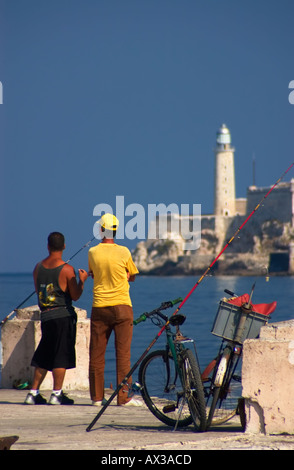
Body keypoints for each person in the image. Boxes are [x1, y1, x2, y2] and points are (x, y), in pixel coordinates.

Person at [24, 232, 88, 405]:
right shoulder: (67, 269)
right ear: (64, 246)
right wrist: (81, 281)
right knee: (60, 355)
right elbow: (75, 296)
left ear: (48, 246)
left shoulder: (38, 268)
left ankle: (32, 392)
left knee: (44, 354)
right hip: (62, 317)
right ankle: (57, 394)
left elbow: (39, 292)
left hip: (46, 316)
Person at [88, 213, 140, 406]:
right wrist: (125, 275)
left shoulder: (92, 252)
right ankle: (123, 398)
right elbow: (132, 276)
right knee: (123, 354)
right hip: (122, 307)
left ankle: (96, 398)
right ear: (115, 230)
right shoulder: (124, 251)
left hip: (100, 307)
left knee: (97, 354)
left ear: (101, 230)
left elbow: (94, 274)